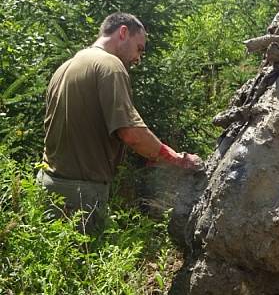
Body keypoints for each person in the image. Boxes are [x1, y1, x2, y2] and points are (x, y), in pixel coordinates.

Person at [38, 12, 202, 232]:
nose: (138, 58)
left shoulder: (66, 67)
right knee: (87, 262)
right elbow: (131, 133)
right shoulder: (110, 66)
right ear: (123, 32)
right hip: (79, 195)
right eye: (139, 48)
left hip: (47, 184)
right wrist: (177, 159)